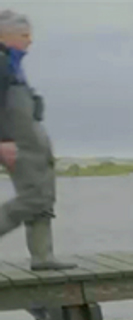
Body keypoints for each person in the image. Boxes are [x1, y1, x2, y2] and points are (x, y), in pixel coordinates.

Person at [0, 10, 72, 270]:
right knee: (32, 198)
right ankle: (42, 256)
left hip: (33, 141)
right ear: (4, 35)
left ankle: (43, 257)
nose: (30, 41)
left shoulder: (14, 63)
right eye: (24, 35)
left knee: (43, 196)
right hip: (17, 143)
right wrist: (3, 139)